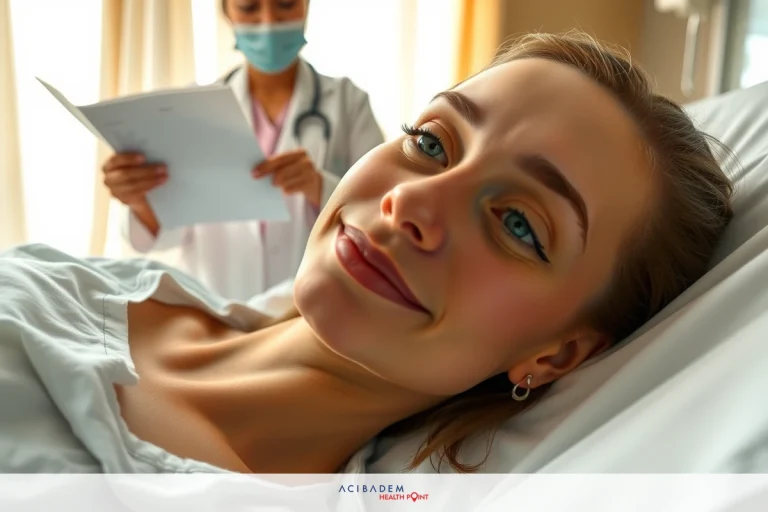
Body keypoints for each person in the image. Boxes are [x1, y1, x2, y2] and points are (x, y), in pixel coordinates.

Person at [0, 32, 733, 474]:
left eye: (518, 225)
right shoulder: (72, 281)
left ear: (558, 354)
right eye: (430, 142)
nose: (411, 204)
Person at [102, 0, 384, 301]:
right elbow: (167, 235)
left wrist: (320, 187)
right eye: (249, 8)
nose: (268, 22)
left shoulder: (348, 103)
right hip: (218, 307)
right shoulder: (192, 111)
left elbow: (381, 214)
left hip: (315, 312)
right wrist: (141, 201)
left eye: (285, 4)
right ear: (226, 12)